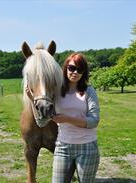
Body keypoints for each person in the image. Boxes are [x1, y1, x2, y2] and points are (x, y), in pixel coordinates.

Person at [51, 53, 100, 183]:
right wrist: (32, 97)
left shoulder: (89, 91)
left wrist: (68, 119)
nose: (75, 72)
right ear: (66, 68)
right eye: (72, 68)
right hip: (63, 146)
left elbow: (94, 121)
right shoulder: (56, 92)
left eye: (80, 69)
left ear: (84, 72)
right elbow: (41, 120)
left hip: (87, 147)